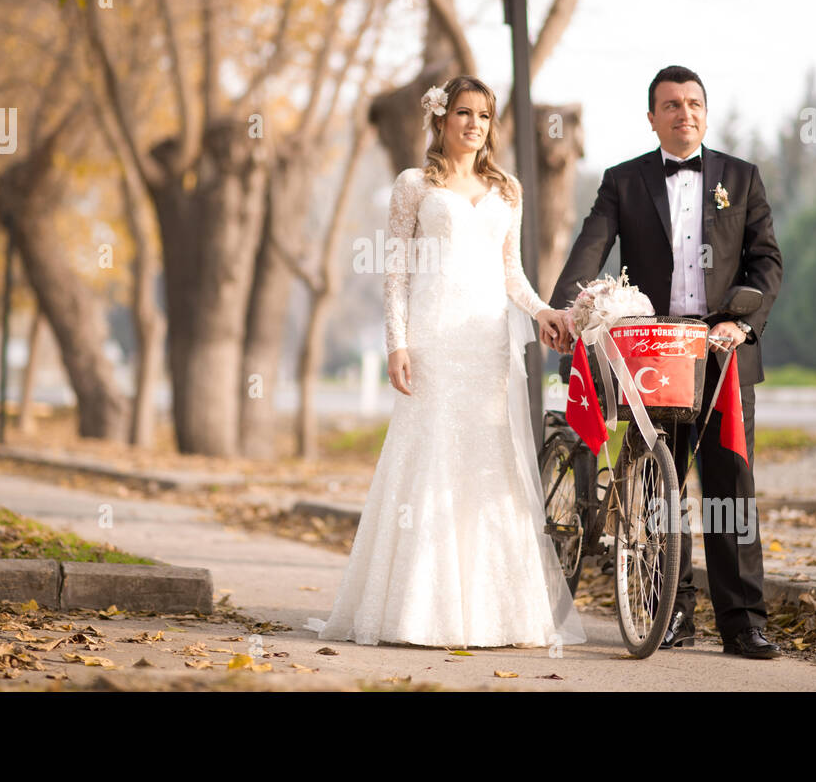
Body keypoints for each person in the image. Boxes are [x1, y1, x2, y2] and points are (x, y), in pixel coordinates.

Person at [307, 76, 586, 648]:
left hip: (486, 343)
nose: (473, 125)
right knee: (428, 458)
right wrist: (397, 343)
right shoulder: (414, 185)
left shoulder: (508, 189)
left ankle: (493, 614)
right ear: (441, 119)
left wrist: (542, 312)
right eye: (463, 113)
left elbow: (511, 273)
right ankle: (417, 610)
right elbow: (397, 272)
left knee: (490, 466)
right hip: (433, 338)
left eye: (483, 116)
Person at [544, 65, 783, 659]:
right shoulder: (623, 182)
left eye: (694, 103)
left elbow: (766, 264)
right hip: (649, 350)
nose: (685, 113)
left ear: (707, 110)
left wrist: (741, 323)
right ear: (651, 117)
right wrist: (563, 311)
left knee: (731, 487)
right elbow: (590, 248)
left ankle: (743, 621)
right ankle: (668, 612)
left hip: (722, 355)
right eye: (671, 105)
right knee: (655, 484)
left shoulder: (741, 177)